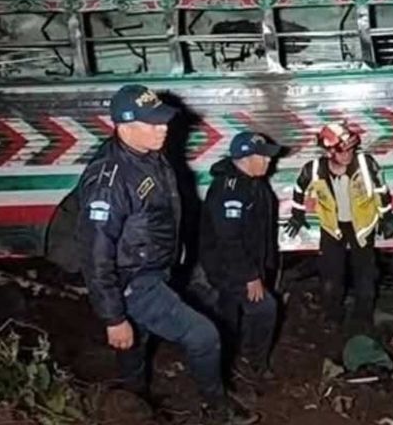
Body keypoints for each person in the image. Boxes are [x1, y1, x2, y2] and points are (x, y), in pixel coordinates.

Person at [76, 84, 258, 424]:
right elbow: (96, 254)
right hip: (134, 280)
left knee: (136, 341)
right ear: (123, 126)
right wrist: (113, 317)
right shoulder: (109, 181)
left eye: (163, 121)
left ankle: (133, 401)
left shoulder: (146, 153)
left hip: (155, 268)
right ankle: (217, 408)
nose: (163, 129)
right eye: (153, 123)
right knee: (203, 335)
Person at [284, 121, 393, 333]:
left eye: (351, 149)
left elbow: (381, 190)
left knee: (365, 276)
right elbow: (299, 188)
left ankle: (363, 318)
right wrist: (297, 214)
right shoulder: (314, 169)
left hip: (361, 226)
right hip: (332, 227)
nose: (348, 155)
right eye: (342, 151)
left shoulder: (365, 164)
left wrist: (387, 216)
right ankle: (332, 316)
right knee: (331, 276)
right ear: (329, 152)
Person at [200, 132, 281, 382]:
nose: (269, 161)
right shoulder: (230, 189)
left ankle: (230, 361)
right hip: (229, 268)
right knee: (265, 309)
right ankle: (252, 363)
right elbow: (229, 239)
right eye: (263, 156)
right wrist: (250, 276)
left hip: (243, 265)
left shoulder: (254, 182)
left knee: (229, 312)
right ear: (245, 158)